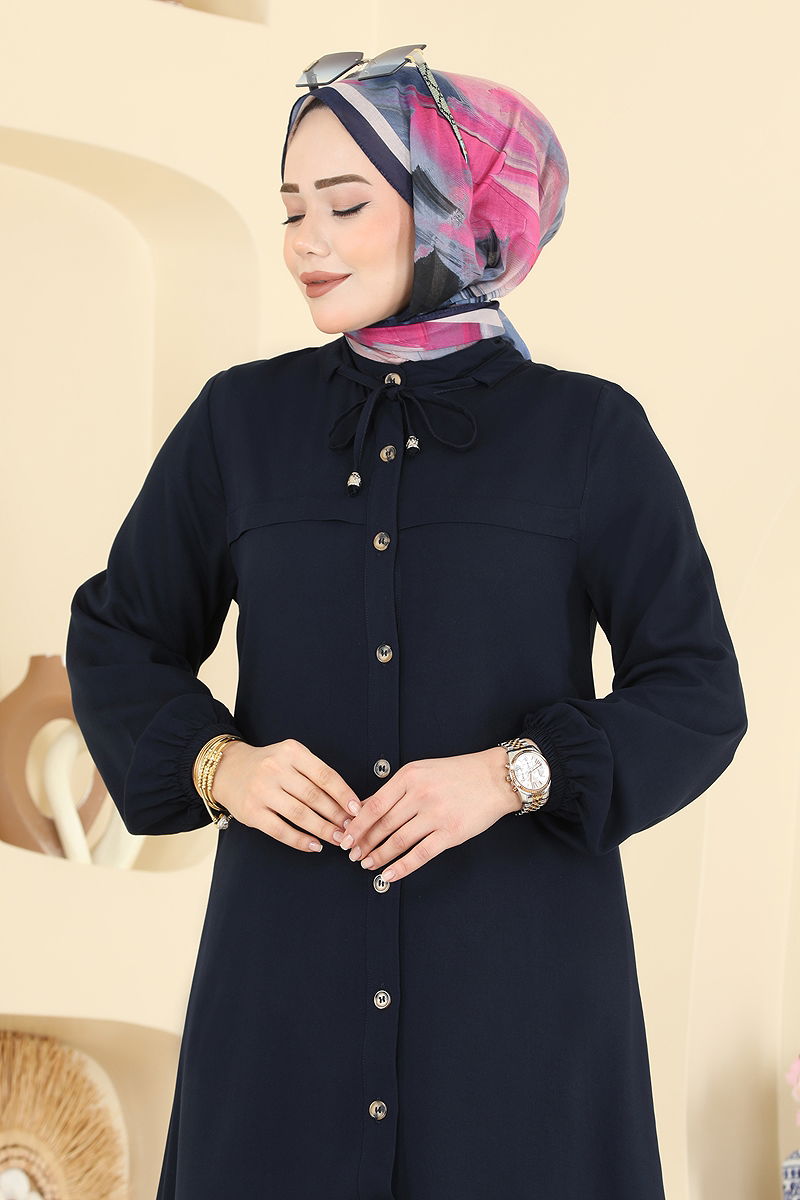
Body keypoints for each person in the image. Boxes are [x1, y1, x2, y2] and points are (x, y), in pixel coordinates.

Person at [65, 46, 748, 1199]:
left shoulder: (587, 435)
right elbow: (117, 635)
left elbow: (694, 691)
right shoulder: (241, 423)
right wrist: (221, 763)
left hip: (516, 1009)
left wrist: (512, 774)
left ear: (452, 213)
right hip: (284, 996)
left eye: (344, 205)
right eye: (291, 208)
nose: (305, 242)